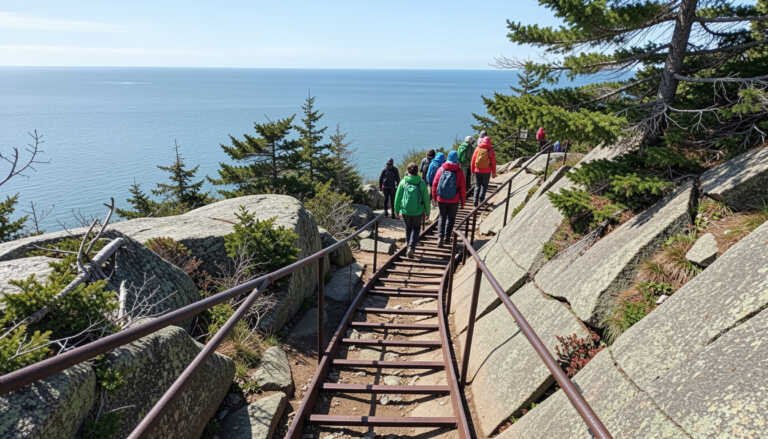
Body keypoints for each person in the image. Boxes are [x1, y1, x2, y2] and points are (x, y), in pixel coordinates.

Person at [394, 163, 430, 258]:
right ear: (417, 171)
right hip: (418, 211)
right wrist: (427, 212)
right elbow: (426, 198)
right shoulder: (421, 183)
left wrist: (396, 210)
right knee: (416, 228)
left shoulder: (403, 182)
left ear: (408, 170)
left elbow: (398, 197)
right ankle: (411, 247)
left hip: (405, 210)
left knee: (408, 228)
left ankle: (408, 245)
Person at [431, 151, 466, 247]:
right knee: (451, 219)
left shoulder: (441, 169)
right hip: (454, 200)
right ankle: (447, 237)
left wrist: (434, 197)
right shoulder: (459, 171)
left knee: (442, 217)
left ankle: (440, 237)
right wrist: (463, 202)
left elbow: (435, 184)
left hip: (441, 199)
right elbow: (462, 188)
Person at [470, 135, 497, 206]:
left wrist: (472, 170)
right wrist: (494, 172)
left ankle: (475, 200)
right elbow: (493, 162)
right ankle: (481, 200)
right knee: (484, 186)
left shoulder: (478, 148)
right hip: (486, 171)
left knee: (477, 185)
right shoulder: (490, 150)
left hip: (477, 170)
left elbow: (473, 160)